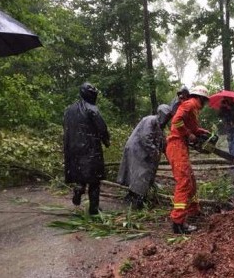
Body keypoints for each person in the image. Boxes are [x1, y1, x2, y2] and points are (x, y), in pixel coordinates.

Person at [166, 85, 211, 234]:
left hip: (180, 146)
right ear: (201, 98)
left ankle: (193, 210)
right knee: (184, 182)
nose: (204, 105)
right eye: (204, 101)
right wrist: (188, 134)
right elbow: (176, 121)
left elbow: (192, 127)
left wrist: (203, 132)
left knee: (190, 180)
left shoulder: (193, 109)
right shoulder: (191, 103)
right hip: (176, 145)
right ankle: (178, 222)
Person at [63, 82, 110, 215]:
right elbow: (101, 127)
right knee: (94, 180)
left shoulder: (69, 110)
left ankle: (79, 187)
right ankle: (94, 208)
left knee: (80, 173)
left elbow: (66, 129)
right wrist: (106, 140)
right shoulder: (92, 108)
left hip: (73, 150)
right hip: (91, 149)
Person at [117, 104, 173, 209]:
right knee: (141, 174)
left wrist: (170, 155)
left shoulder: (160, 127)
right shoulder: (150, 120)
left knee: (139, 174)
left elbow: (164, 143)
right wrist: (155, 151)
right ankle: (137, 200)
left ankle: (132, 196)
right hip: (137, 149)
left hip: (143, 151)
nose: (167, 119)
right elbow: (145, 138)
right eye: (166, 116)